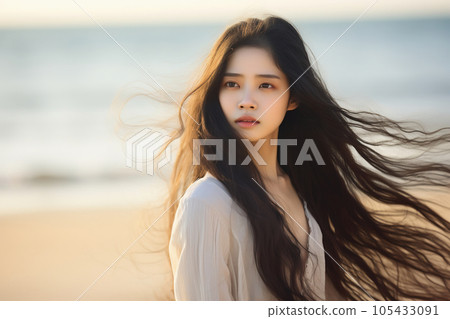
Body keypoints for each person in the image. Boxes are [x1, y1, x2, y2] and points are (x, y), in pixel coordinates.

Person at [139, 16, 450, 300]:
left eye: (266, 85)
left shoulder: (300, 187)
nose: (247, 101)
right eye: (232, 84)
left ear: (294, 97)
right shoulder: (207, 203)